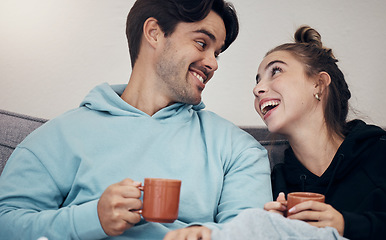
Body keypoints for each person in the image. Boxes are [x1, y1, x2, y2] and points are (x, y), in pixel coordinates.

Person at [0, 1, 273, 239]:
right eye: (202, 43)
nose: (213, 63)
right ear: (154, 33)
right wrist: (91, 219)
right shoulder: (58, 136)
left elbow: (253, 232)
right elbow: (5, 224)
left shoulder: (239, 150)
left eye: (217, 52)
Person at [211, 26, 386, 240]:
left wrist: (346, 225)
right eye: (258, 80)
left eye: (276, 71)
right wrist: (273, 228)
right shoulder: (275, 181)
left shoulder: (385, 154)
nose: (258, 89)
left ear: (318, 84)